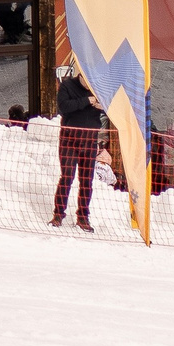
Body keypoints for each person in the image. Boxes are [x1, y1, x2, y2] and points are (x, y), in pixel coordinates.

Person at [54, 63, 105, 231]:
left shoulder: (99, 88)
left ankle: (83, 217)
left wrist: (103, 107)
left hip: (90, 141)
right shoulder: (67, 86)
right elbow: (64, 107)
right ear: (80, 75)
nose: (89, 86)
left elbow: (114, 109)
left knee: (86, 181)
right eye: (86, 81)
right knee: (67, 177)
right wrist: (86, 100)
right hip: (69, 140)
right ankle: (58, 214)